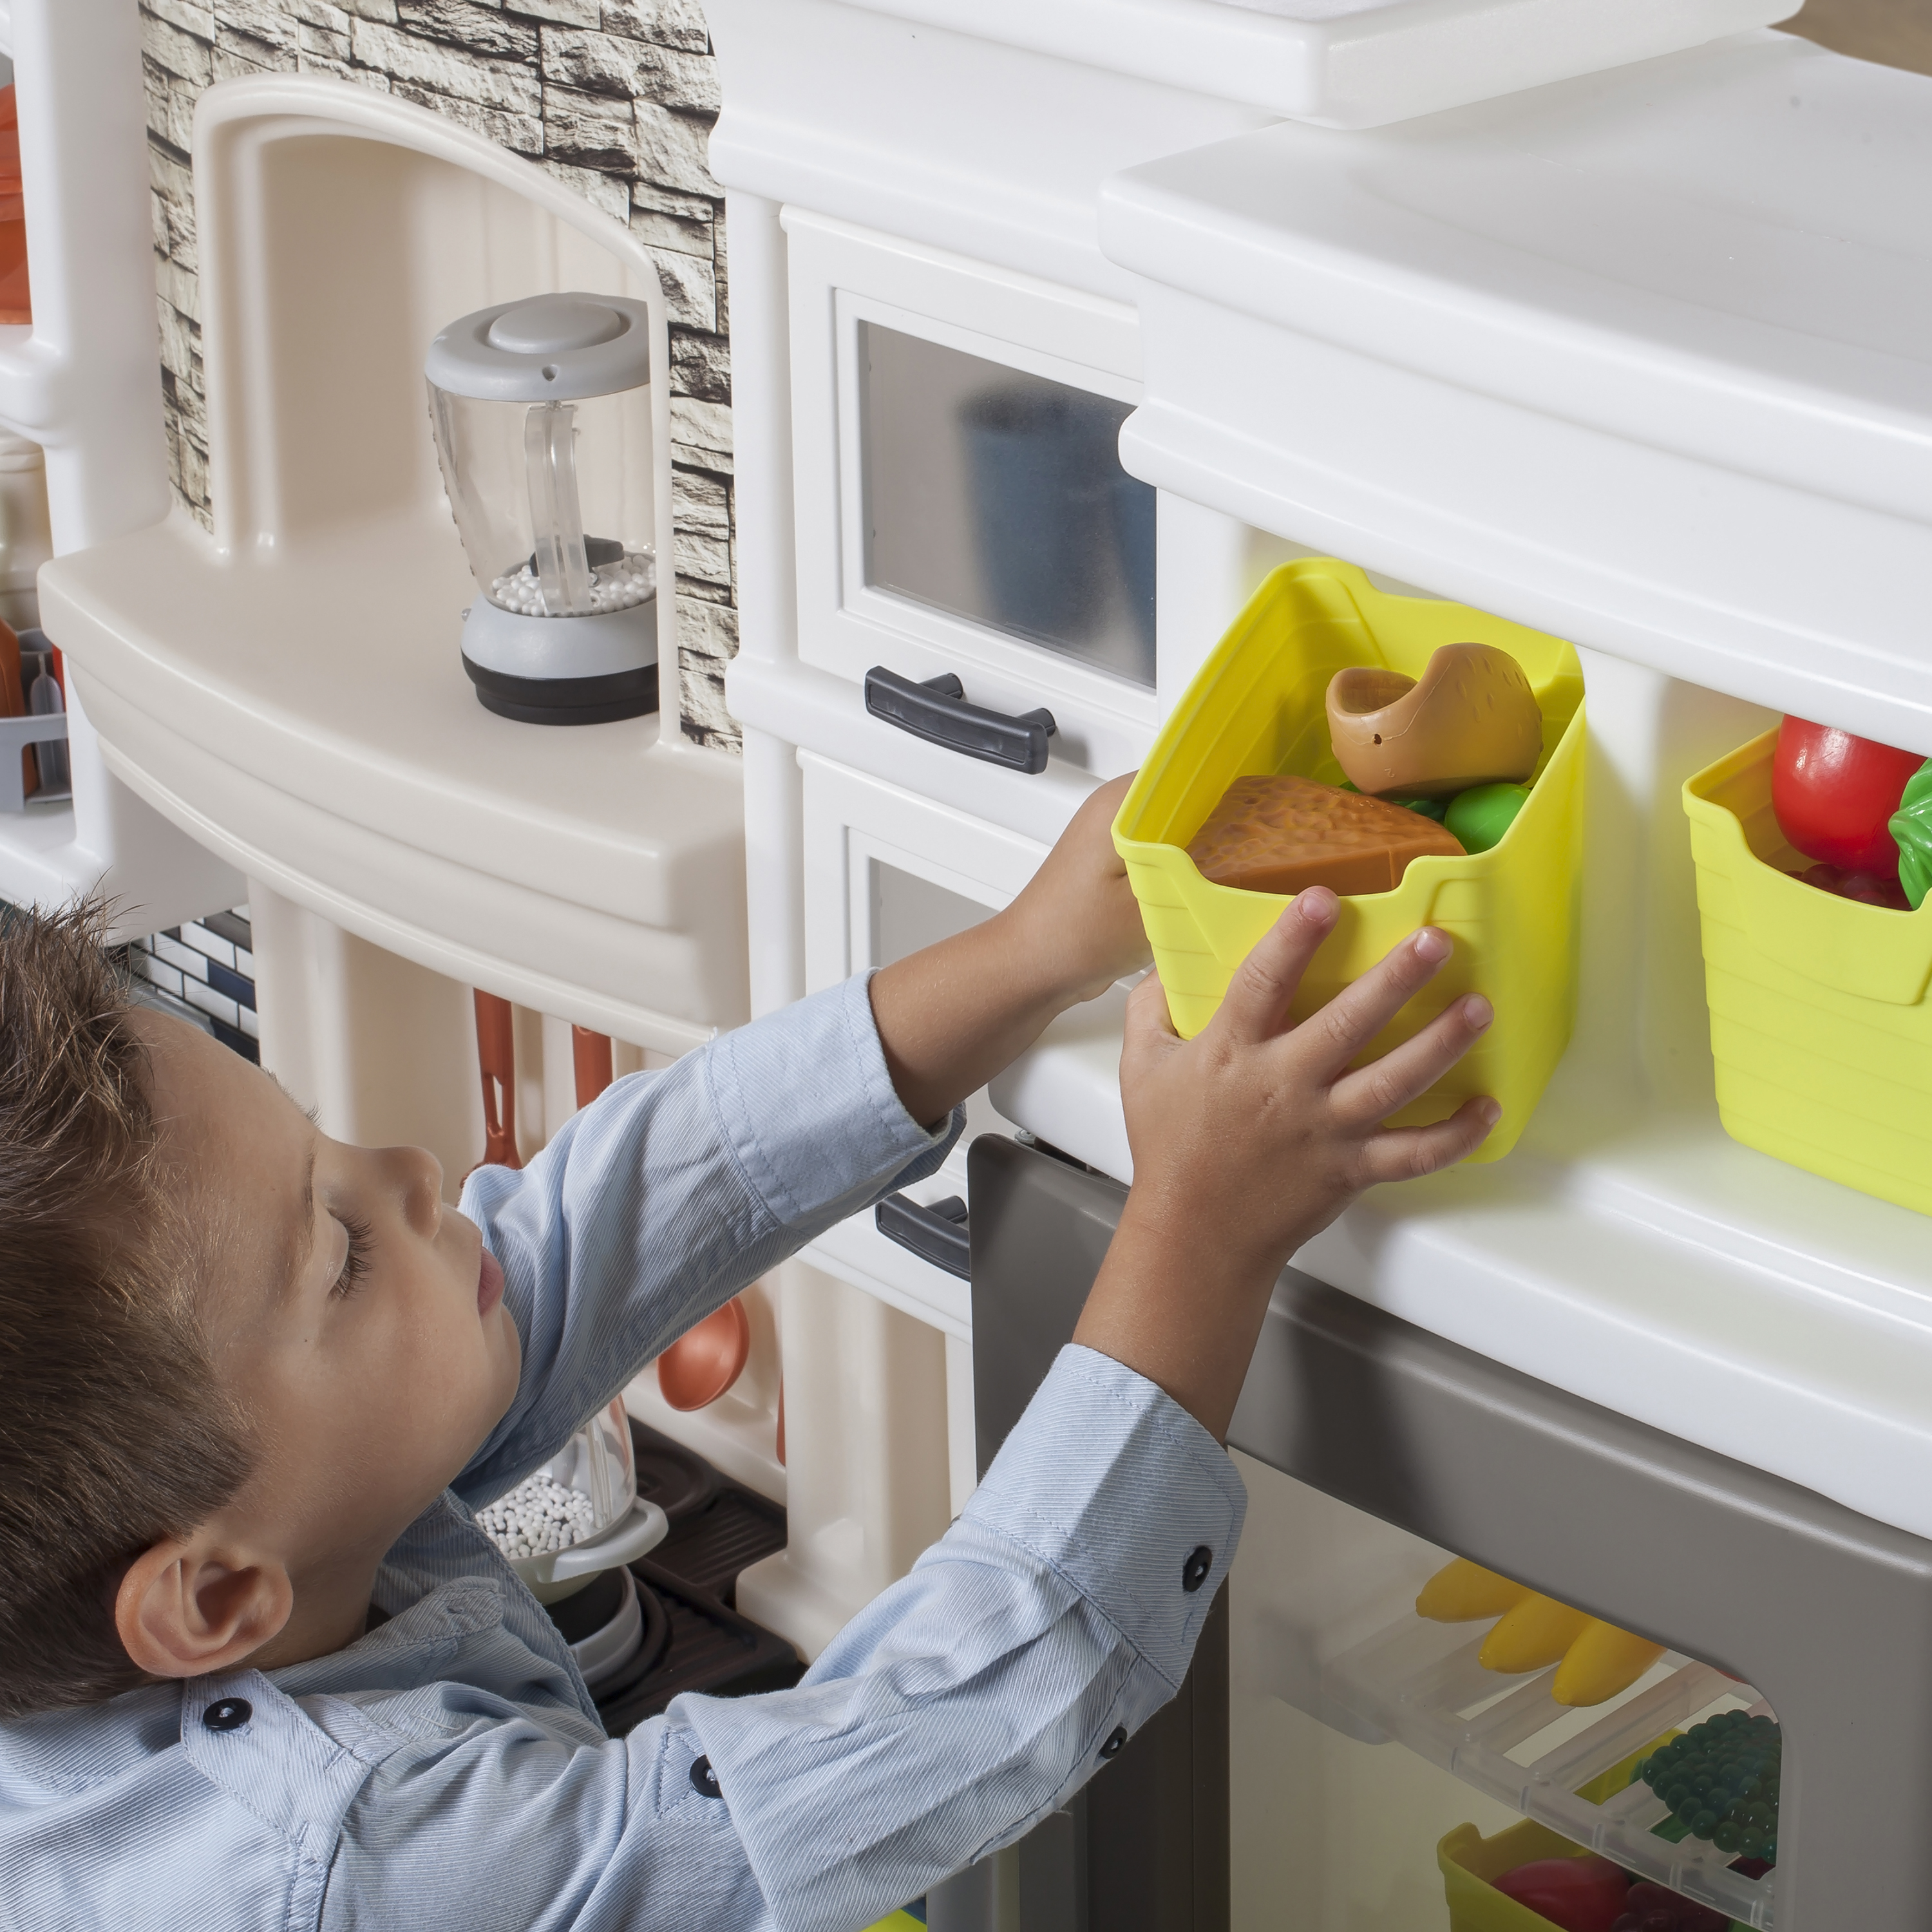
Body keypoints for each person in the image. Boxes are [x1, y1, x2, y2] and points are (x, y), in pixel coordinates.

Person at [0, 777, 1497, 1931]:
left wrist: (1031, 952)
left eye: (322, 1140)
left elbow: (603, 1222)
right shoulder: (387, 1868)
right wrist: (1205, 1233)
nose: (406, 1168)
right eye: (339, 1249)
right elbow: (943, 1726)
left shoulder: (192, 1539)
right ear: (215, 1597)